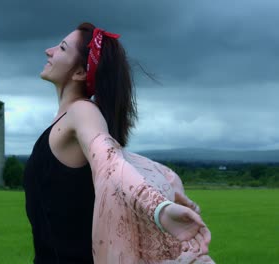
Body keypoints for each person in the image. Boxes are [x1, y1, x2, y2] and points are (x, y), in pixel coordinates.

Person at [23, 22, 214, 263]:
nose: (48, 51)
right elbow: (121, 161)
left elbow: (109, 160)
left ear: (80, 72)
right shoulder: (65, 121)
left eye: (61, 48)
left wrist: (159, 208)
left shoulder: (82, 112)